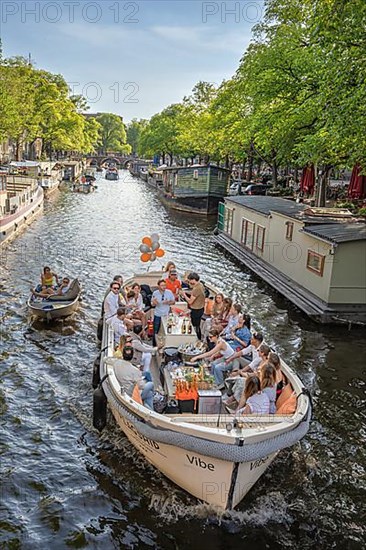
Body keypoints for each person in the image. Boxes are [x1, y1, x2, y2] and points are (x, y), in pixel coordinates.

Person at [179, 272, 205, 340]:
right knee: (197, 326)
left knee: (195, 326)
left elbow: (190, 302)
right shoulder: (200, 285)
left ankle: (196, 339)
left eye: (191, 282)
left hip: (196, 310)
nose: (190, 283)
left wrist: (184, 295)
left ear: (194, 279)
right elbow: (194, 294)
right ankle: (198, 338)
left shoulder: (196, 289)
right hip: (200, 309)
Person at [151, 279, 175, 345]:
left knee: (166, 330)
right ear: (158, 286)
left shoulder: (169, 292)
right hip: (158, 314)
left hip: (166, 314)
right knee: (155, 330)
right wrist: (155, 303)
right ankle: (154, 345)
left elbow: (173, 302)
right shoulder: (155, 293)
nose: (164, 287)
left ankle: (165, 344)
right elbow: (152, 304)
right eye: (162, 285)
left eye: (164, 285)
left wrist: (168, 302)